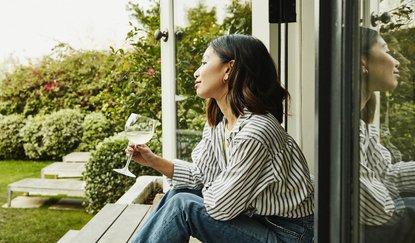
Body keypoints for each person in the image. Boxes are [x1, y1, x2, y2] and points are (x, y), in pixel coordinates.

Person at [128, 34, 314, 243]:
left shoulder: (256, 132)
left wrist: (213, 184)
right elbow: (201, 175)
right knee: (179, 194)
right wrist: (154, 161)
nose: (197, 72)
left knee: (183, 206)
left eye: (205, 62)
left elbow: (221, 207)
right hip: (255, 220)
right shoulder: (219, 123)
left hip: (288, 234)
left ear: (229, 69)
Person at [356, 27, 415, 243]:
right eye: (386, 50)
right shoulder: (344, 128)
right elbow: (375, 209)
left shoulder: (360, 123)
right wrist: (402, 200)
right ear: (363, 62)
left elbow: (386, 176)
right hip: (345, 231)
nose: (396, 61)